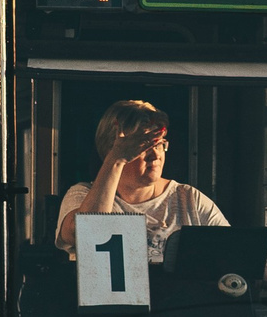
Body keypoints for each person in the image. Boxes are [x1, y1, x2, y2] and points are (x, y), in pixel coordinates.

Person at [56, 99, 227, 261]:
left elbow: (230, 250)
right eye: (144, 146)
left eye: (159, 144)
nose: (156, 155)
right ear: (112, 150)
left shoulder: (189, 199)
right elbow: (88, 233)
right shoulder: (82, 195)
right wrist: (115, 159)